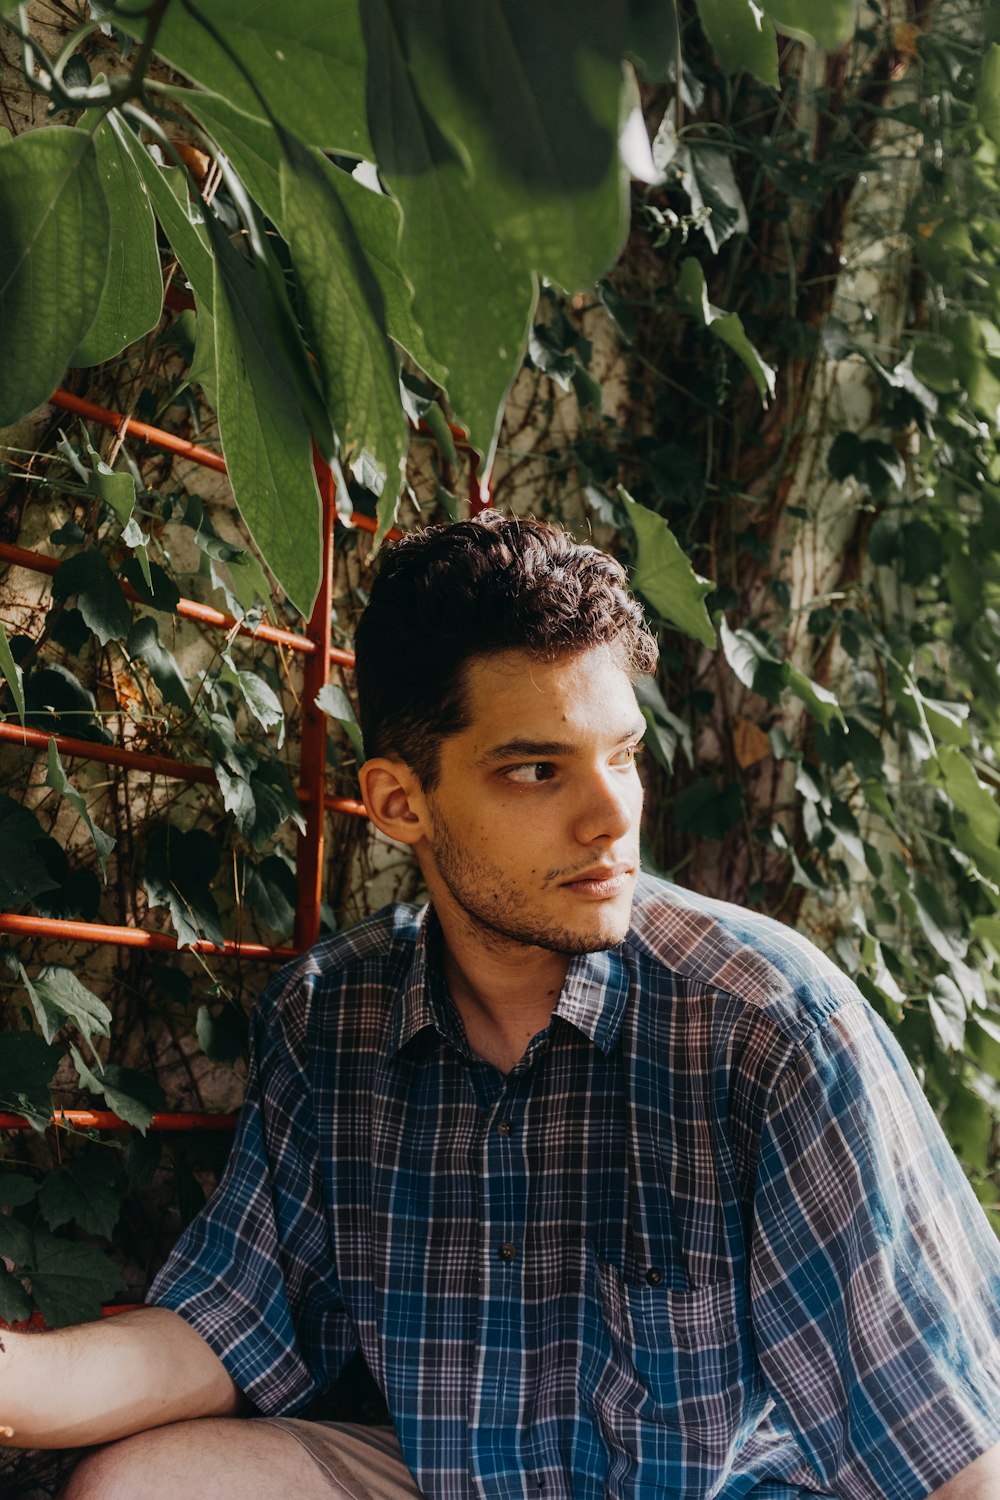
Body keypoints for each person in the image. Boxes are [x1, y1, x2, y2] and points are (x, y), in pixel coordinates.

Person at [3, 514, 999, 1499]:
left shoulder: (765, 1026)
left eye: (624, 755)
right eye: (536, 768)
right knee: (150, 1486)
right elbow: (223, 1326)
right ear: (400, 804)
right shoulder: (332, 1019)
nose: (611, 816)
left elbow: (947, 1453)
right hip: (455, 1480)